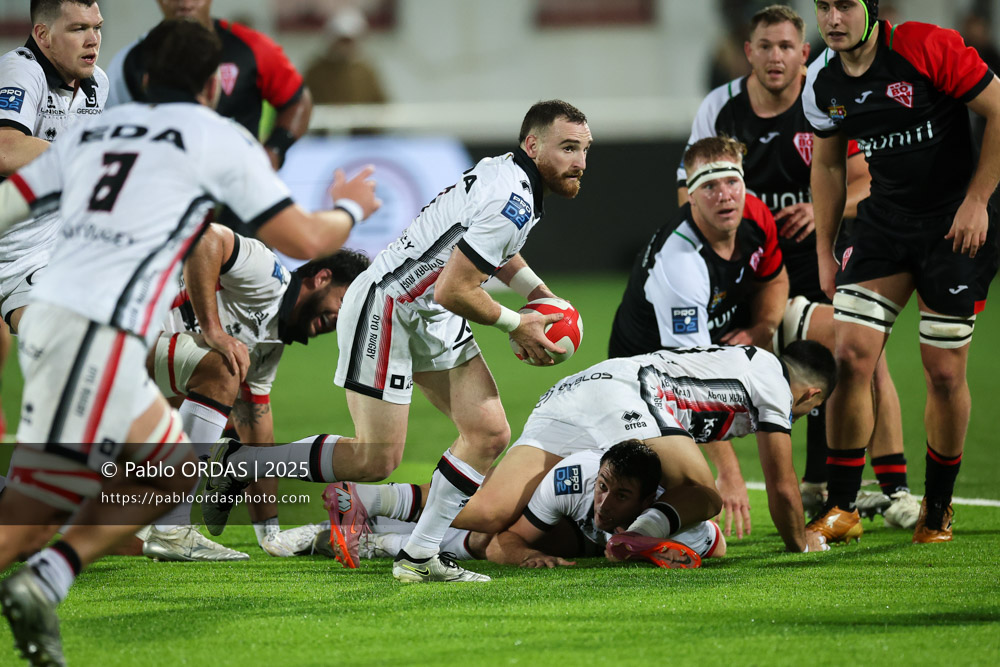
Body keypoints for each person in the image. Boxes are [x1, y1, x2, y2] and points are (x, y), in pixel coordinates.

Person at [0, 19, 378, 665]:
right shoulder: (216, 137)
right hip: (89, 331)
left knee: (171, 469)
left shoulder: (92, 130)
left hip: (79, 328)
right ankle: (39, 563)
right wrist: (352, 207)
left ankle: (46, 581)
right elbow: (310, 240)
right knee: (25, 523)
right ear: (215, 86)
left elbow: (10, 201)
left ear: (144, 77)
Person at [200, 100, 592, 583]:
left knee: (488, 433)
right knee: (375, 459)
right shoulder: (513, 199)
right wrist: (518, 323)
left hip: (430, 312)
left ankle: (419, 555)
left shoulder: (509, 175)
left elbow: (491, 246)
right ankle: (240, 462)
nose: (580, 162)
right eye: (568, 148)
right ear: (532, 145)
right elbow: (455, 289)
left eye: (584, 149)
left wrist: (539, 294)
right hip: (390, 305)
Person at [675, 5, 915, 529]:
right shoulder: (721, 107)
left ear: (804, 53)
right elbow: (684, 192)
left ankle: (895, 490)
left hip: (824, 258)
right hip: (754, 273)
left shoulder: (827, 95)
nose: (776, 57)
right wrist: (743, 227)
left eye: (786, 47)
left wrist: (820, 208)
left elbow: (866, 181)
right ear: (748, 52)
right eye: (765, 46)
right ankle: (810, 484)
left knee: (864, 357)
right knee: (741, 371)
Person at [317, 342, 834, 566]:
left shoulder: (742, 362)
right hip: (629, 392)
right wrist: (801, 541)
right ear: (811, 396)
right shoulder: (774, 384)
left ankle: (364, 500)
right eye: (810, 410)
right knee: (704, 494)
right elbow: (782, 484)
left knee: (491, 509)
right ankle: (634, 539)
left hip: (578, 388)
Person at [804, 0, 1000, 543]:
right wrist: (824, 248)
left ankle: (937, 508)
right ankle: (842, 507)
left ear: (871, 8)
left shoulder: (925, 46)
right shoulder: (821, 80)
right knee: (849, 356)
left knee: (944, 372)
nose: (833, 18)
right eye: (823, 6)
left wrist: (978, 200)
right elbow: (827, 163)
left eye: (845, 5)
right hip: (884, 224)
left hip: (955, 224)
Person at [137, 223, 370, 561]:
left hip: (130, 371)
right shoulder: (267, 273)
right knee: (222, 368)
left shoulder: (268, 347)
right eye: (344, 303)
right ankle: (172, 525)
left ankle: (160, 522)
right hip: (120, 333)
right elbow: (206, 239)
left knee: (125, 536)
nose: (340, 319)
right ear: (321, 278)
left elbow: (259, 440)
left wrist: (270, 534)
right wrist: (213, 330)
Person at [610, 135, 788, 539]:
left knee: (813, 333)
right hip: (644, 383)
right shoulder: (681, 264)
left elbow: (776, 278)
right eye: (709, 186)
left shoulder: (755, 215)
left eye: (732, 182)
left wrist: (761, 330)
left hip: (712, 346)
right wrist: (729, 473)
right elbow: (690, 385)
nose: (725, 196)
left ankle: (826, 482)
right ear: (690, 196)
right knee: (700, 521)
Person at [315, 441, 725, 570]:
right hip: (546, 471)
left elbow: (715, 543)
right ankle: (372, 509)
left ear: (649, 500)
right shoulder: (572, 481)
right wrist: (527, 555)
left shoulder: (676, 519)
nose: (603, 502)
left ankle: (369, 527)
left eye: (620, 496)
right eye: (603, 487)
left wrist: (648, 544)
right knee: (488, 527)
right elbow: (505, 542)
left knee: (495, 525)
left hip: (579, 533)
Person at [0, 0, 106, 336]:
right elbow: (5, 148)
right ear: (43, 35)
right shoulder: (20, 70)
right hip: (15, 254)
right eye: (78, 29)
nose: (92, 39)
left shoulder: (98, 84)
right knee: (67, 342)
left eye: (96, 27)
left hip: (65, 243)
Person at [106, 0, 312, 171]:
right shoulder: (129, 61)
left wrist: (274, 151)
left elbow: (298, 99)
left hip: (237, 189)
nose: (184, 3)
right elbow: (110, 128)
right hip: (165, 190)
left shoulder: (251, 48)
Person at [303, 7, 388, 107]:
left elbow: (382, 105)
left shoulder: (366, 72)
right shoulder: (316, 72)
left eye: (349, 41)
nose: (345, 46)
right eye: (342, 41)